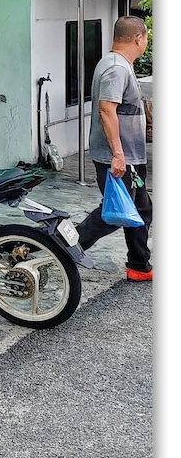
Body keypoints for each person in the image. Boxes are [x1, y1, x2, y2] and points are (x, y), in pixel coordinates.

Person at [76, 15, 152, 280]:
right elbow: (107, 110)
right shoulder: (116, 67)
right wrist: (118, 156)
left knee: (140, 210)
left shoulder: (119, 64)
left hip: (131, 157)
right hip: (118, 158)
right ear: (138, 38)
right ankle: (64, 246)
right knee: (114, 213)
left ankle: (139, 266)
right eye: (146, 38)